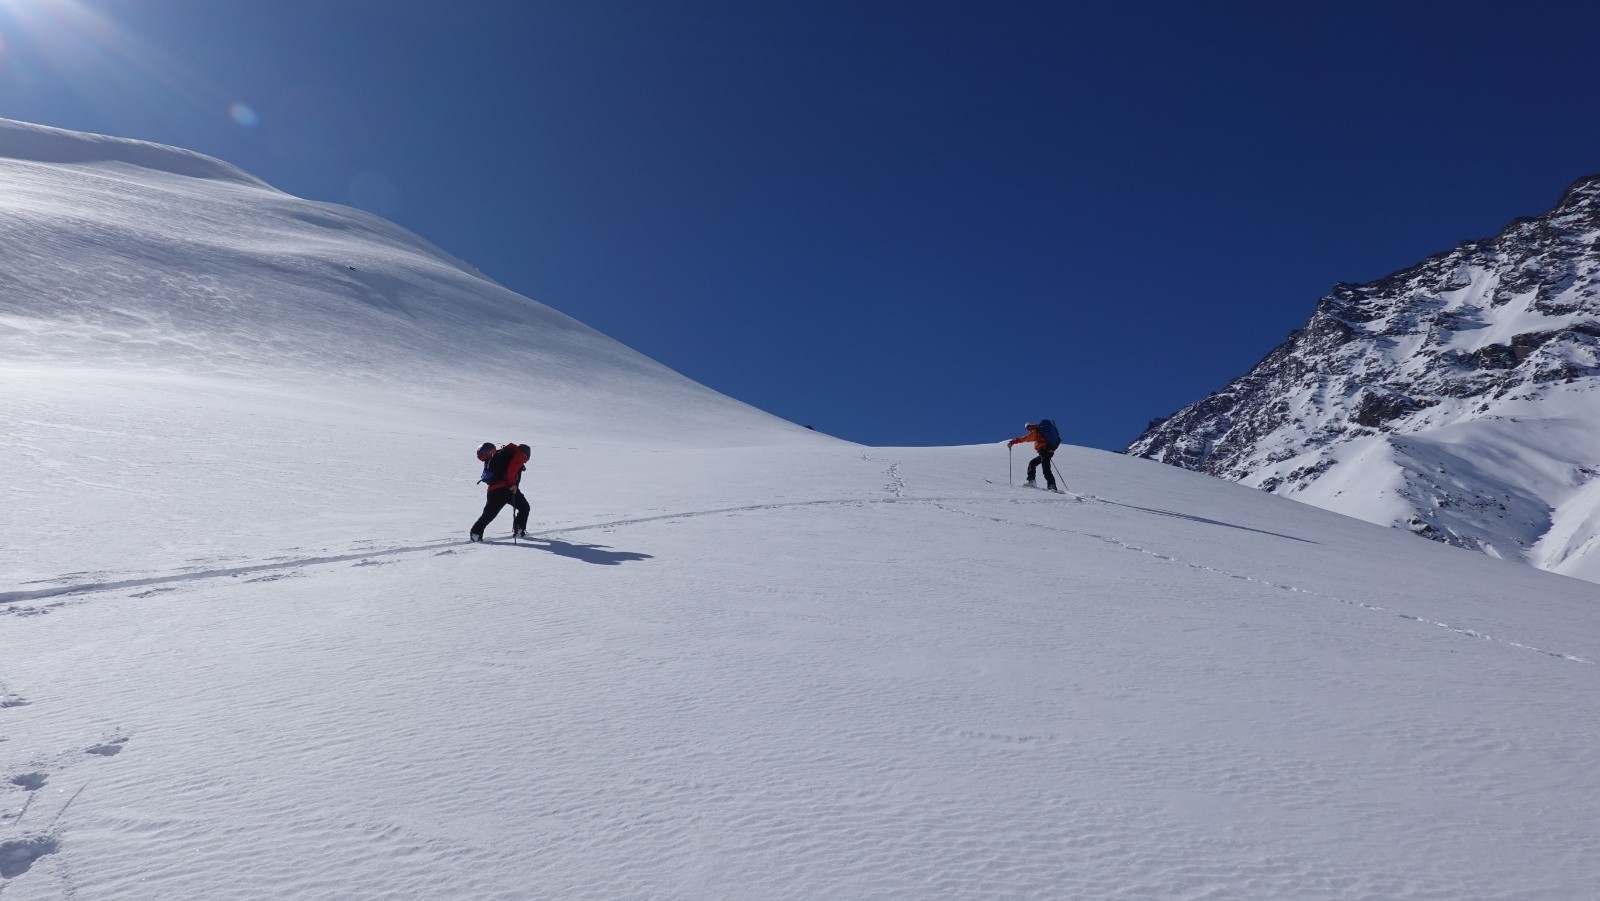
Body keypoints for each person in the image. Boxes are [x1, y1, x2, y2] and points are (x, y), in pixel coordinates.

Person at [470, 441, 530, 541]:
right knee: (524, 507)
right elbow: (511, 470)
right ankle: (519, 530)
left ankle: (476, 533)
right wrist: (512, 485)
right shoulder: (519, 455)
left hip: (493, 490)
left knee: (488, 514)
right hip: (507, 489)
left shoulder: (502, 453)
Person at [1007, 422, 1059, 491]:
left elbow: (1025, 438)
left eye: (1028, 427)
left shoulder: (1035, 431)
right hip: (1047, 451)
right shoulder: (1040, 432)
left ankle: (1052, 486)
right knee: (1033, 463)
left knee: (1046, 469)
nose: (1028, 429)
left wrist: (1013, 442)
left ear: (1032, 426)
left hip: (1044, 451)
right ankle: (1033, 482)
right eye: (1027, 428)